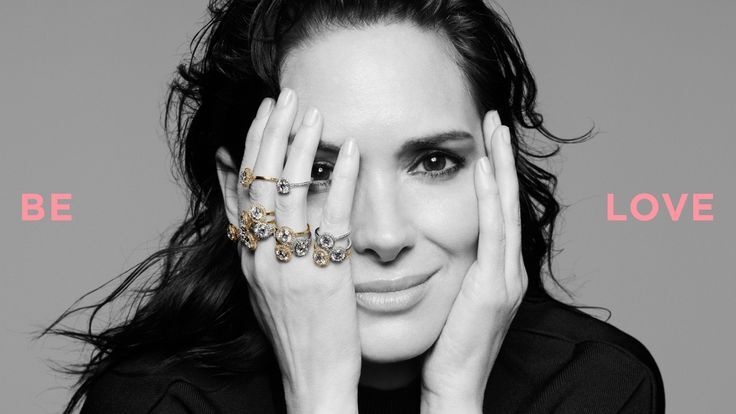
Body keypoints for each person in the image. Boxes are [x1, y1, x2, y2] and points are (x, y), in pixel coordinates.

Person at [40, 0, 665, 413]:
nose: (383, 235)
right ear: (240, 194)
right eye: (319, 173)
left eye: (434, 162)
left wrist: (453, 400)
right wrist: (320, 398)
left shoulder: (594, 385)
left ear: (496, 166)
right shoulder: (157, 403)